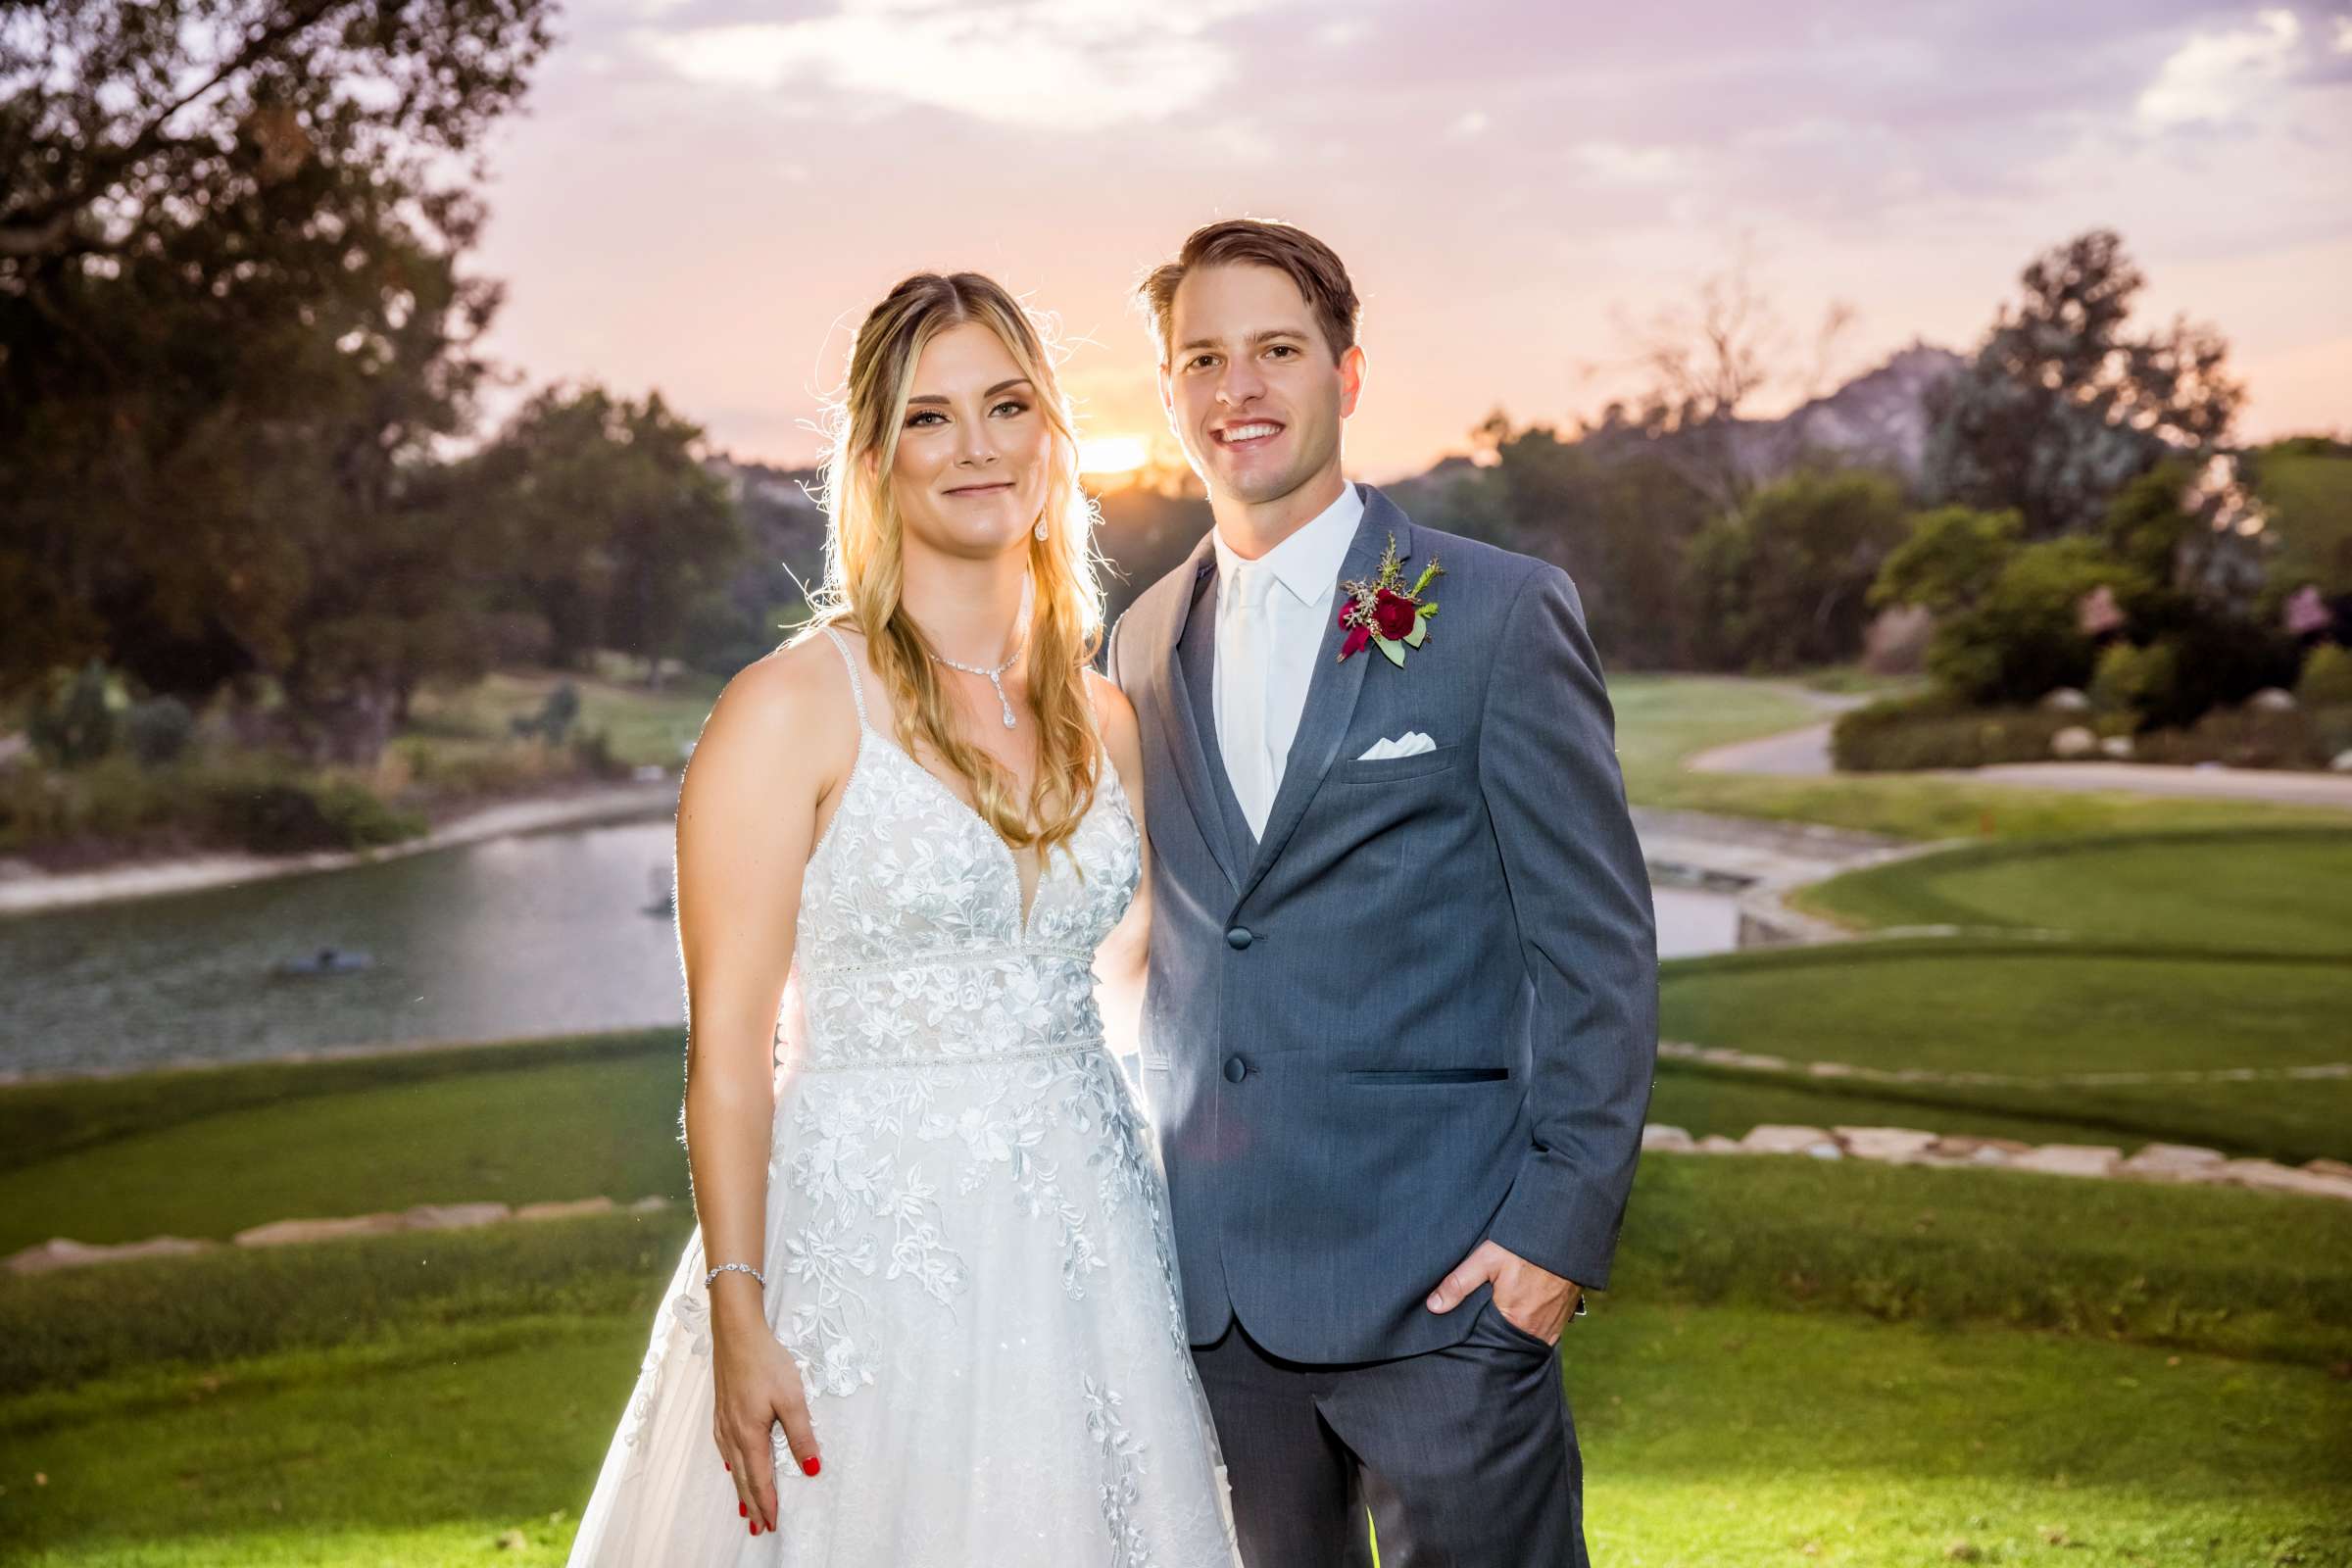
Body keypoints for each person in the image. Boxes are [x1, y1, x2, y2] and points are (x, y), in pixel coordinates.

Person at [565, 271, 1239, 1566]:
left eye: (1006, 405)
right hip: (863, 1261)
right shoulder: (787, 708)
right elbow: (728, 1061)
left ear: (1053, 430)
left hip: (1093, 1250)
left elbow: (1154, 986)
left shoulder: (1107, 720)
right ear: (874, 461)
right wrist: (741, 1311)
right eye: (932, 419)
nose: (979, 448)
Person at [1104, 219, 1659, 1566]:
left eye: (1277, 350)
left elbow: (1598, 955)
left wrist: (1554, 1240)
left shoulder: (1493, 614)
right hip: (1215, 1304)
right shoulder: (1135, 642)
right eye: (1204, 358)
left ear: (1347, 376)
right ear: (1170, 394)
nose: (1239, 387)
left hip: (1449, 1294)